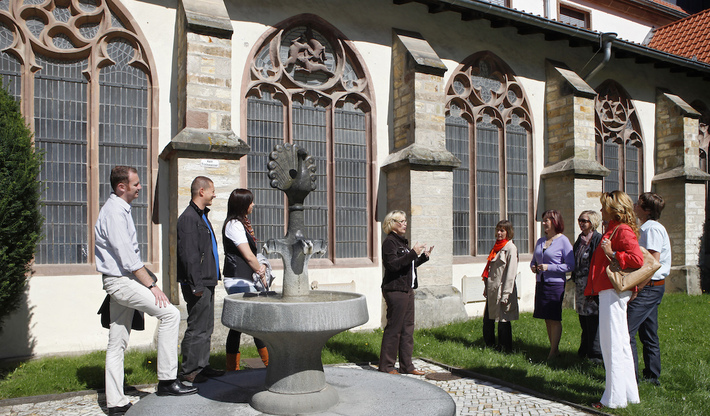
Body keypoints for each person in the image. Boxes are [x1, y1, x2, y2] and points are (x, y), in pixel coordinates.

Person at [95, 166, 196, 416]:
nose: (140, 188)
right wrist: (152, 286)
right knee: (170, 314)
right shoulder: (115, 213)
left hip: (119, 281)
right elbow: (128, 259)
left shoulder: (118, 210)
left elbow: (127, 257)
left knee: (116, 343)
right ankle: (166, 381)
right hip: (121, 282)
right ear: (122, 187)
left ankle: (116, 403)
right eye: (136, 184)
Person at [586, 190, 644, 409]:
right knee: (617, 344)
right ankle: (627, 395)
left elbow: (636, 259)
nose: (601, 210)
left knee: (612, 345)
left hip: (613, 290)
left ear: (614, 209)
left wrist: (613, 253)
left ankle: (613, 399)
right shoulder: (613, 229)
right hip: (609, 290)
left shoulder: (622, 230)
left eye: (604, 206)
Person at [176, 176, 225, 383]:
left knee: (207, 327)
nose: (215, 194)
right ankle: (190, 370)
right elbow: (188, 255)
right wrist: (196, 284)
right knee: (196, 327)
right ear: (201, 191)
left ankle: (202, 366)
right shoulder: (189, 218)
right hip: (198, 283)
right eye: (212, 190)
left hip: (207, 280)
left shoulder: (201, 216)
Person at [378, 210, 433, 375]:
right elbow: (393, 266)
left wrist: (422, 257)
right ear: (391, 224)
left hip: (408, 289)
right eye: (401, 221)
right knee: (394, 329)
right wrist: (412, 254)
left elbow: (408, 264)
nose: (405, 223)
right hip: (395, 290)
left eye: (405, 221)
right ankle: (387, 366)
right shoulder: (390, 242)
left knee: (408, 329)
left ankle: (407, 366)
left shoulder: (402, 243)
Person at [222, 189, 269, 370]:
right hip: (237, 280)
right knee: (254, 323)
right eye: (250, 202)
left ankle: (232, 367)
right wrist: (260, 270)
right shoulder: (234, 224)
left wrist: (260, 266)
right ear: (242, 204)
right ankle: (268, 364)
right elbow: (248, 255)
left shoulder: (242, 223)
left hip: (243, 279)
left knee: (239, 325)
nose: (253, 205)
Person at [628, 192, 671, 386]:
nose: (635, 206)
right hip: (651, 287)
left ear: (646, 210)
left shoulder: (651, 229)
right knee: (648, 333)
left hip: (649, 287)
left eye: (638, 204)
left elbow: (652, 263)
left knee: (627, 330)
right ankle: (652, 376)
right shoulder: (646, 227)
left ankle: (631, 378)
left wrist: (638, 288)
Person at [530, 209, 574, 360]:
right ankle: (553, 348)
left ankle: (553, 351)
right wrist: (533, 267)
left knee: (554, 317)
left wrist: (550, 267)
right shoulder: (541, 241)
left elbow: (570, 265)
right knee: (547, 317)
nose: (543, 223)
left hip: (555, 284)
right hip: (541, 282)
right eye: (543, 221)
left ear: (555, 222)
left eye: (546, 220)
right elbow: (534, 259)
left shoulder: (563, 241)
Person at [482, 220, 519, 353]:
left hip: (503, 290)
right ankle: (490, 345)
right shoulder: (496, 247)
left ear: (508, 232)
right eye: (498, 230)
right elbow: (490, 270)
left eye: (502, 230)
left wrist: (506, 294)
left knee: (503, 321)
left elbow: (511, 272)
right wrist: (486, 287)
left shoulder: (510, 248)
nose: (499, 233)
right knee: (488, 320)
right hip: (492, 290)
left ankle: (505, 348)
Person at [572, 210, 603, 362]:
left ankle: (595, 354)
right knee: (583, 318)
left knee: (593, 319)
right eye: (580, 220)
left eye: (585, 221)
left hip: (592, 287)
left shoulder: (597, 239)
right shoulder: (580, 240)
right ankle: (584, 349)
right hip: (580, 286)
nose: (581, 223)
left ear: (593, 223)